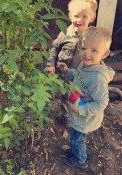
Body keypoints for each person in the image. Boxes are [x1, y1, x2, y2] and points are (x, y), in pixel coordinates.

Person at [57, 26, 115, 169]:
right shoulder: (86, 65)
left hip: (85, 119)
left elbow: (101, 103)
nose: (86, 54)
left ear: (105, 53)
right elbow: (79, 76)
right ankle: (75, 150)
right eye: (84, 48)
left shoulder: (97, 79)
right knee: (75, 137)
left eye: (94, 50)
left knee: (77, 139)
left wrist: (81, 109)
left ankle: (80, 160)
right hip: (78, 114)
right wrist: (67, 71)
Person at [46, 0, 98, 127]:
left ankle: (71, 116)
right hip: (60, 72)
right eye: (76, 16)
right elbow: (54, 48)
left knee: (75, 95)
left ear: (92, 18)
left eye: (84, 16)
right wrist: (50, 64)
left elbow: (96, 54)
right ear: (70, 15)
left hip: (79, 74)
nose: (79, 20)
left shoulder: (92, 37)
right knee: (58, 93)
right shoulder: (65, 32)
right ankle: (51, 113)